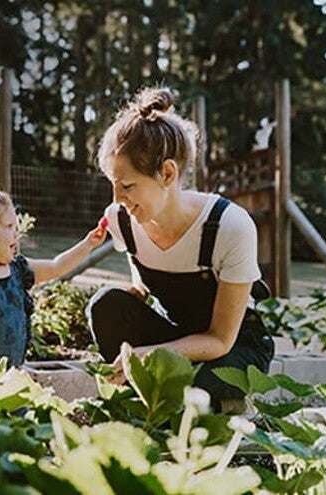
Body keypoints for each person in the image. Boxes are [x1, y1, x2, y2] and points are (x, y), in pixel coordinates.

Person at [88, 86, 274, 411]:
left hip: (231, 347)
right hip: (175, 333)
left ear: (168, 173)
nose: (117, 199)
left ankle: (227, 405)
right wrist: (138, 291)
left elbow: (219, 339)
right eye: (112, 184)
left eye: (127, 186)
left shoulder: (229, 226)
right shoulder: (121, 218)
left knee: (191, 387)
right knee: (105, 305)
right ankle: (149, 398)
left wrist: (154, 355)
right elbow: (142, 269)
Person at [0, 177, 106, 367]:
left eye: (16, 226)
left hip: (14, 368)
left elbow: (57, 266)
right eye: (9, 227)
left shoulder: (18, 270)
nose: (16, 233)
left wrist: (88, 244)